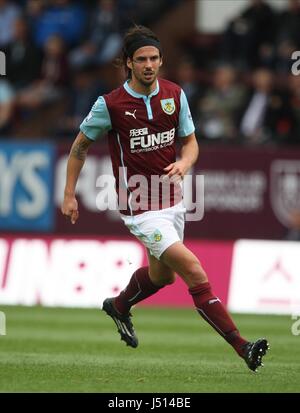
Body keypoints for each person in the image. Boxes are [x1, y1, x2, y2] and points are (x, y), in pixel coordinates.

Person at [61, 25, 269, 372]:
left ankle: (119, 305)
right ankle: (242, 347)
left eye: (154, 58)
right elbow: (79, 148)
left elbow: (190, 142)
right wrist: (69, 194)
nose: (148, 65)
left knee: (162, 278)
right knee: (192, 270)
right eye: (141, 59)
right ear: (128, 63)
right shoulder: (110, 105)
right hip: (140, 207)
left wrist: (185, 162)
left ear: (161, 60)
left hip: (173, 201)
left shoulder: (175, 94)